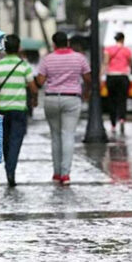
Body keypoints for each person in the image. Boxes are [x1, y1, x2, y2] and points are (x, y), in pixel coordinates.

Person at [35, 32, 91, 185]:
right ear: (67, 42)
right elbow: (88, 78)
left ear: (54, 44)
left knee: (55, 136)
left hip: (51, 98)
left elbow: (40, 81)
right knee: (68, 135)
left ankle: (56, 172)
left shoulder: (48, 59)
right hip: (72, 98)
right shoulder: (79, 58)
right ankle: (65, 174)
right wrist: (86, 91)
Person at [0, 34, 37, 187]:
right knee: (16, 141)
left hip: (2, 109)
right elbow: (33, 87)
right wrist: (34, 99)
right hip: (19, 109)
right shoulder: (23, 65)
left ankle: (8, 167)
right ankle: (11, 169)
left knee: (5, 140)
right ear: (18, 48)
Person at [103, 32, 132, 133]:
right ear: (123, 39)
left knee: (112, 100)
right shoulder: (127, 50)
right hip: (123, 76)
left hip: (111, 76)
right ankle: (122, 119)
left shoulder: (108, 49)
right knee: (122, 99)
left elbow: (106, 62)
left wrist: (101, 75)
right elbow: (131, 62)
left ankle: (113, 124)